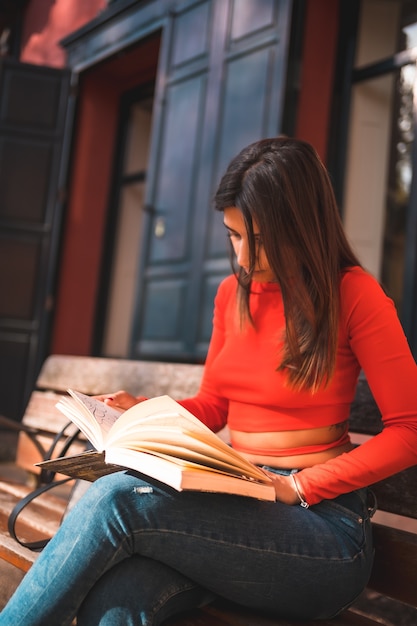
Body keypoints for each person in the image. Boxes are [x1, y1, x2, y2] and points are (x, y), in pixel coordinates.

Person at [2, 136, 417, 626]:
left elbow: (408, 432)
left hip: (321, 532)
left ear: (302, 226)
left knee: (115, 500)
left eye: (259, 240)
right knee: (117, 601)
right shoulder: (232, 295)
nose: (243, 258)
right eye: (234, 237)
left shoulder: (355, 295)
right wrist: (143, 414)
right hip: (233, 506)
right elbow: (216, 403)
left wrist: (297, 487)